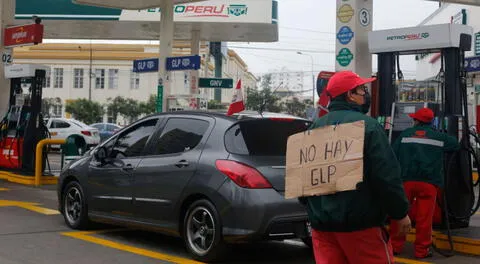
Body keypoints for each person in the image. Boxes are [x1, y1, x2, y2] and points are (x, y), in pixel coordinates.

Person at [304, 71, 411, 264]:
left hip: (323, 228)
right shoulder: (368, 127)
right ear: (350, 95)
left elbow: (302, 179)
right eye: (362, 89)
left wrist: (316, 210)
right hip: (361, 227)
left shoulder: (315, 127)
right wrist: (400, 213)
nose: (365, 94)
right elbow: (386, 176)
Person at [389, 108, 460, 259]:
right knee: (425, 218)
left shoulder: (405, 134)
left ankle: (395, 246)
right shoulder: (439, 137)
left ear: (416, 121)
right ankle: (422, 250)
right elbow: (455, 144)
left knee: (400, 215)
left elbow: (392, 153)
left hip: (406, 182)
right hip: (428, 183)